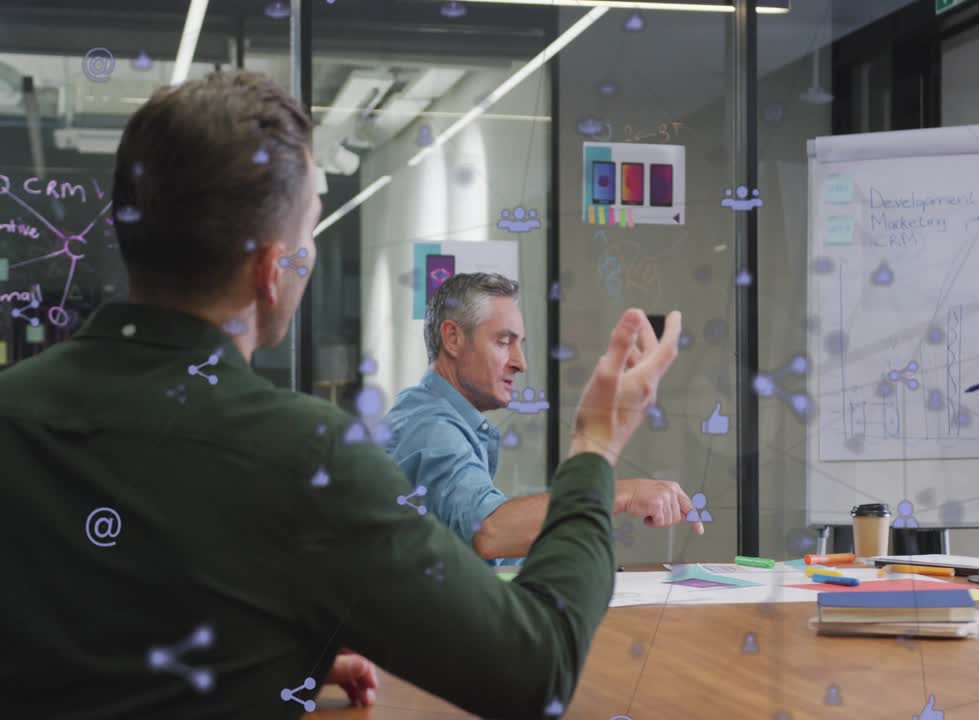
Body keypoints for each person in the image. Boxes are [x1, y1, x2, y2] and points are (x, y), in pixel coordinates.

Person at [0, 70, 683, 719]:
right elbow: (536, 670)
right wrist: (595, 450)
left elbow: (101, 618)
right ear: (272, 269)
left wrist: (260, 651)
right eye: (310, 232)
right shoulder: (304, 456)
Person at [383, 272, 703, 565]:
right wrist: (623, 494)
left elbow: (481, 548)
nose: (520, 363)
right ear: (453, 338)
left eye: (519, 345)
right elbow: (489, 531)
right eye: (504, 342)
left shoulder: (430, 413)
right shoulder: (431, 428)